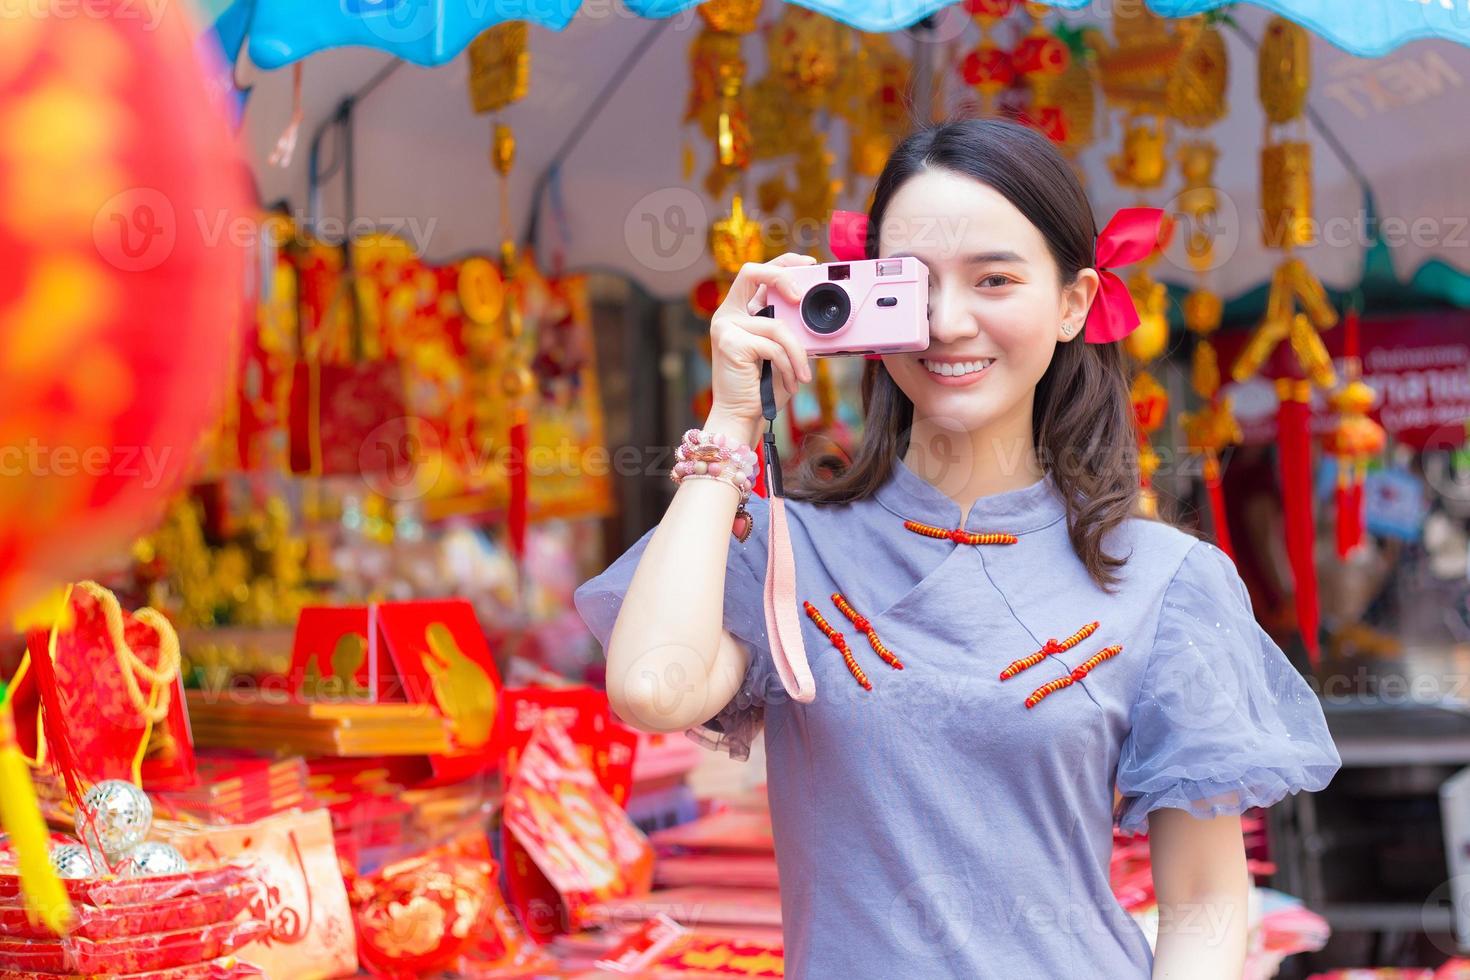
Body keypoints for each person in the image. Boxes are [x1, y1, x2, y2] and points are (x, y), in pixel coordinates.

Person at [574, 118, 1341, 979]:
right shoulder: (790, 549)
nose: (946, 322)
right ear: (862, 300)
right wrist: (730, 421)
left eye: (995, 279)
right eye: (912, 284)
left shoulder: (1168, 581)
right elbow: (651, 688)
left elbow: (1203, 902)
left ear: (1073, 303)